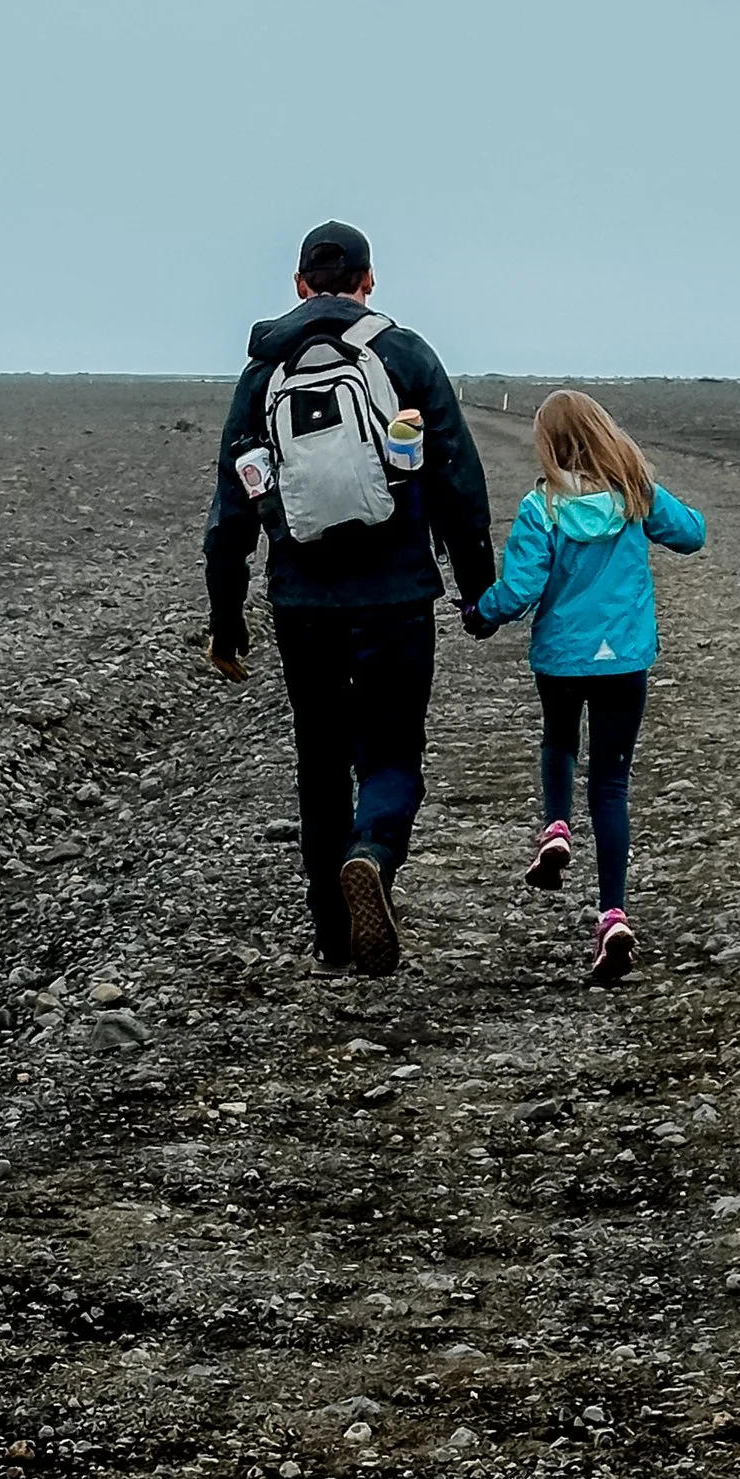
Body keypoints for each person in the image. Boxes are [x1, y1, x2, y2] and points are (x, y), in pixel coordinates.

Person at [205, 220, 495, 976]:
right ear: (369, 280)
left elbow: (231, 507)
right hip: (398, 596)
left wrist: (226, 617)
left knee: (320, 758)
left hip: (302, 603)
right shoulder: (404, 354)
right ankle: (372, 852)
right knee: (393, 751)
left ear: (300, 284)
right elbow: (459, 478)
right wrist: (476, 591)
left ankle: (333, 936)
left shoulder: (264, 370)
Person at [461, 387, 705, 986]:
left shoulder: (540, 507)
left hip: (563, 659)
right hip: (623, 659)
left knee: (558, 739)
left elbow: (518, 591)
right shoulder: (633, 495)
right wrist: (648, 493)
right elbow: (693, 534)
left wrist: (480, 613)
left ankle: (556, 828)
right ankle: (613, 917)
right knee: (613, 781)